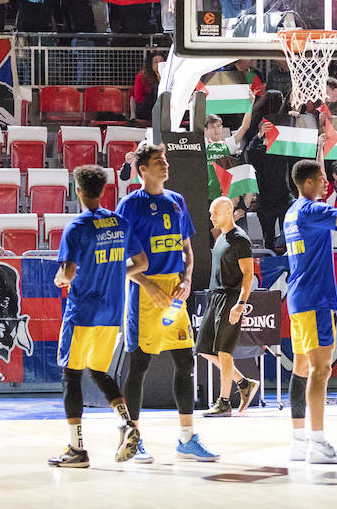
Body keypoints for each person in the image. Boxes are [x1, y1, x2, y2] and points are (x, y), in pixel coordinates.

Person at [118, 143, 216, 462]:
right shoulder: (130, 206)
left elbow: (188, 250)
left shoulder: (177, 201)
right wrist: (146, 284)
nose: (165, 165)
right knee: (140, 365)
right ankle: (132, 438)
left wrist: (187, 280)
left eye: (165, 160)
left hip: (175, 291)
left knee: (185, 362)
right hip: (146, 294)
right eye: (158, 161)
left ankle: (187, 437)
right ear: (142, 169)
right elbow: (120, 262)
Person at [48, 165, 146, 468]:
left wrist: (58, 279)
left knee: (71, 375)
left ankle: (76, 450)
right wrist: (118, 273)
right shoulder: (120, 223)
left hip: (83, 310)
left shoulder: (76, 227)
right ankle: (129, 424)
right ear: (102, 191)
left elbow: (68, 273)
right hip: (112, 312)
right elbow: (141, 263)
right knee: (99, 371)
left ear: (78, 190)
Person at [281, 158, 337, 464]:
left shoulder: (291, 213)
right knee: (320, 370)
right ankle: (317, 443)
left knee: (302, 369)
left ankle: (298, 441)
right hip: (316, 298)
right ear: (308, 183)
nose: (326, 183)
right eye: (321, 178)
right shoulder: (311, 210)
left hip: (298, 298)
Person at [198, 196, 259, 418]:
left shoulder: (240, 240)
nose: (211, 216)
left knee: (224, 352)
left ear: (227, 213)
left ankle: (224, 402)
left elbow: (248, 275)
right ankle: (244, 383)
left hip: (230, 298)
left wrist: (241, 304)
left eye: (214, 212)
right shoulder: (220, 237)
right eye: (211, 212)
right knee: (204, 350)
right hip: (214, 297)